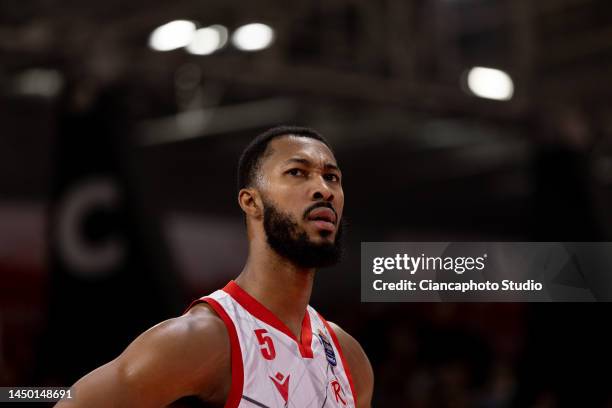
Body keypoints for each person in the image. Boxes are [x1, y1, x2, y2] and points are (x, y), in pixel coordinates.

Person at [56, 126, 374, 407]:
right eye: (297, 172)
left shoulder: (350, 358)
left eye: (331, 176)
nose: (324, 189)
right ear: (252, 202)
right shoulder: (204, 338)